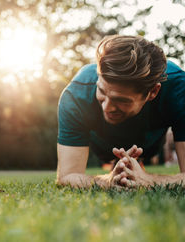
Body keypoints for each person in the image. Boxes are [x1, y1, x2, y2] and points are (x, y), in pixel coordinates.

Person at [57, 35, 185, 188]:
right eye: (101, 91)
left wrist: (148, 180)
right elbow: (67, 176)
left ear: (153, 92)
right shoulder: (76, 95)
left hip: (150, 143)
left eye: (121, 100)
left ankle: (136, 163)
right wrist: (108, 181)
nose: (107, 107)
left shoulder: (179, 90)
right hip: (103, 145)